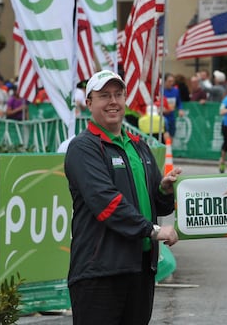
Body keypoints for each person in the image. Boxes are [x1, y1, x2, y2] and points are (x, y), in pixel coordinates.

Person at [64, 69, 180, 324]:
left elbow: (157, 204)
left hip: (140, 269)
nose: (113, 101)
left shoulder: (139, 145)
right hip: (99, 272)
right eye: (104, 95)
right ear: (89, 102)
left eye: (118, 94)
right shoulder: (83, 147)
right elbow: (105, 203)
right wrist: (152, 230)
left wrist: (164, 189)